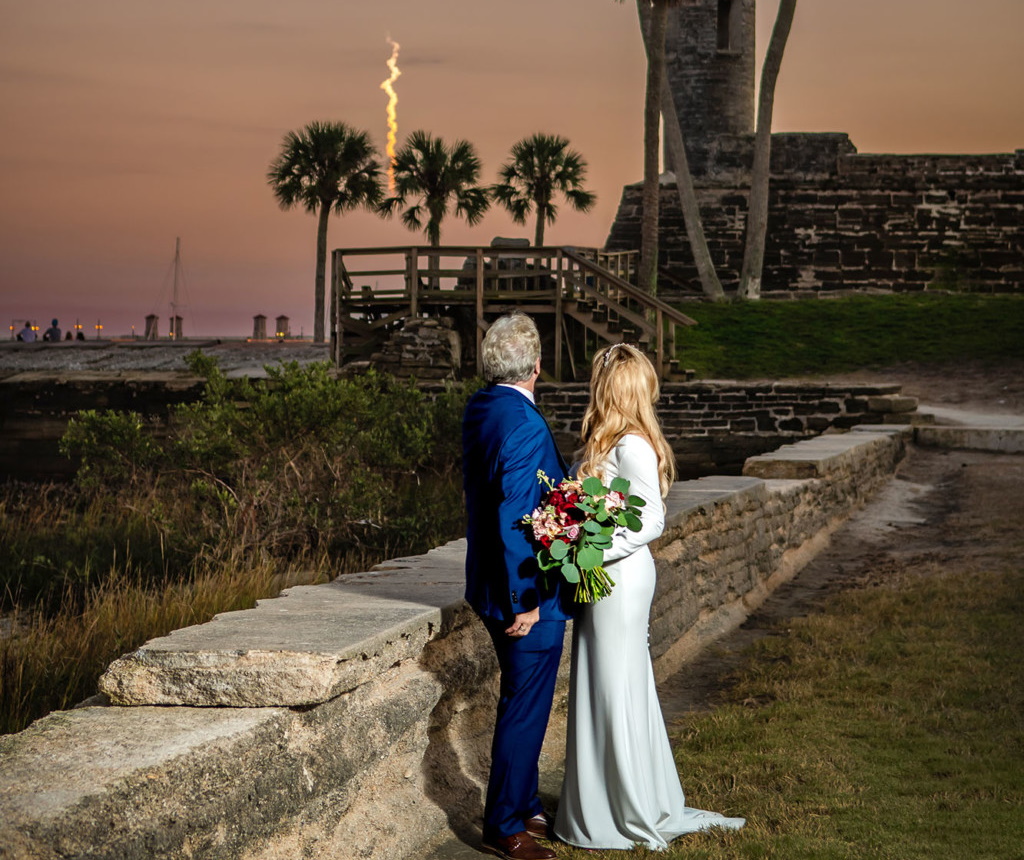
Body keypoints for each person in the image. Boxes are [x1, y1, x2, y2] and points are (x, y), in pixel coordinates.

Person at [554, 343, 746, 851]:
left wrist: (588, 548)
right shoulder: (607, 441)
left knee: (615, 687)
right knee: (606, 683)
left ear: (612, 388)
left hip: (619, 577)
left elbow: (651, 521)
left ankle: (627, 809)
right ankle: (606, 799)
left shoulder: (633, 445)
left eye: (598, 378)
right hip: (604, 576)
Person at [462, 313, 572, 860]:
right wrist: (527, 600)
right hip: (525, 591)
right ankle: (504, 824)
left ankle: (525, 801)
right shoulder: (525, 423)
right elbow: (513, 515)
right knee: (525, 705)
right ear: (536, 367)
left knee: (523, 699)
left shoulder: (481, 407)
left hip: (484, 580)